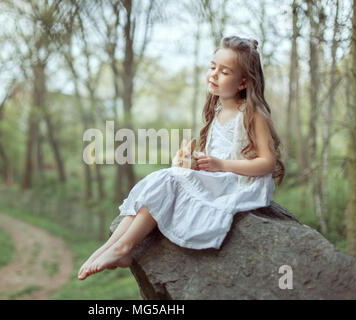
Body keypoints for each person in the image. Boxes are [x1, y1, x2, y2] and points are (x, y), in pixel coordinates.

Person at [78, 36, 285, 281]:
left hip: (240, 182)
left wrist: (220, 165)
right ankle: (111, 245)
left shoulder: (252, 114)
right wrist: (191, 161)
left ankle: (125, 247)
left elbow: (267, 163)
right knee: (165, 177)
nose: (214, 75)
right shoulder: (218, 109)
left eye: (225, 71)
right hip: (221, 177)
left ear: (243, 82)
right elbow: (215, 157)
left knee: (169, 180)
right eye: (212, 67)